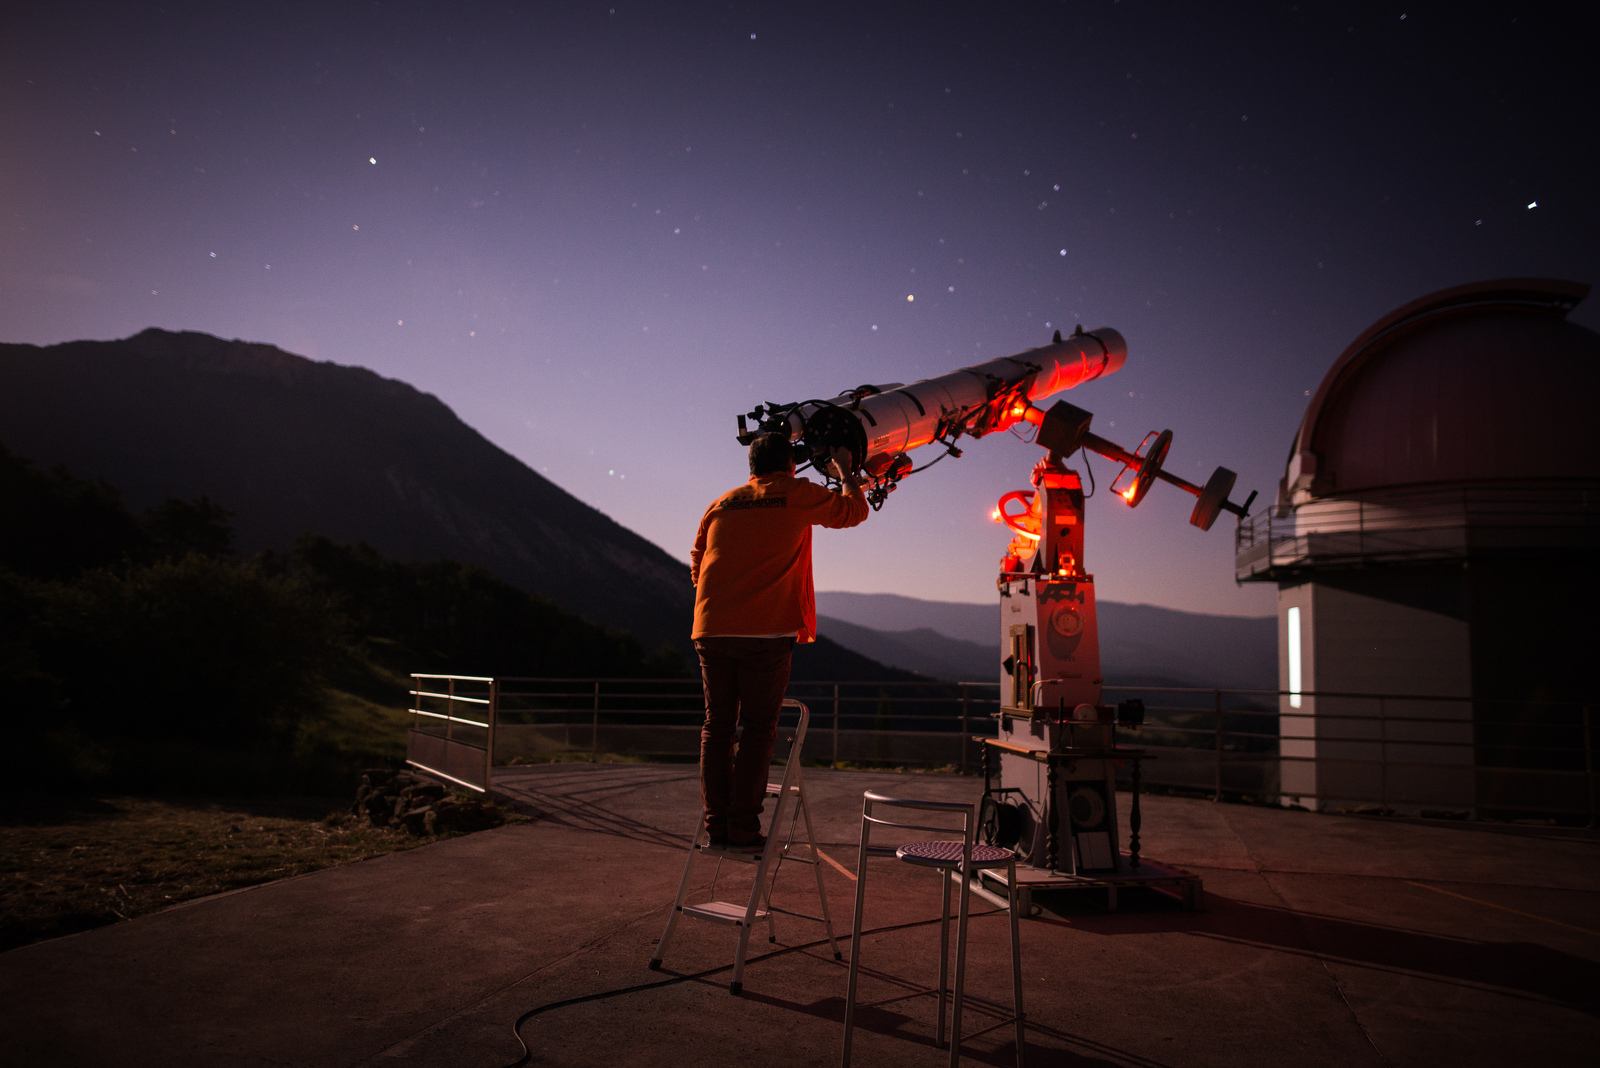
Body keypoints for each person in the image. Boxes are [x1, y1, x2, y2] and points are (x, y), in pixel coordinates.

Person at [689, 432, 870, 851]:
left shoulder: (723, 501)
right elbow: (854, 511)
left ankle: (717, 826)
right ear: (790, 465)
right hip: (765, 633)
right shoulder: (796, 492)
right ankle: (743, 830)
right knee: (756, 729)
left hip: (711, 628)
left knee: (716, 727)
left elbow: (697, 564)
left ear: (750, 469)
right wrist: (845, 468)